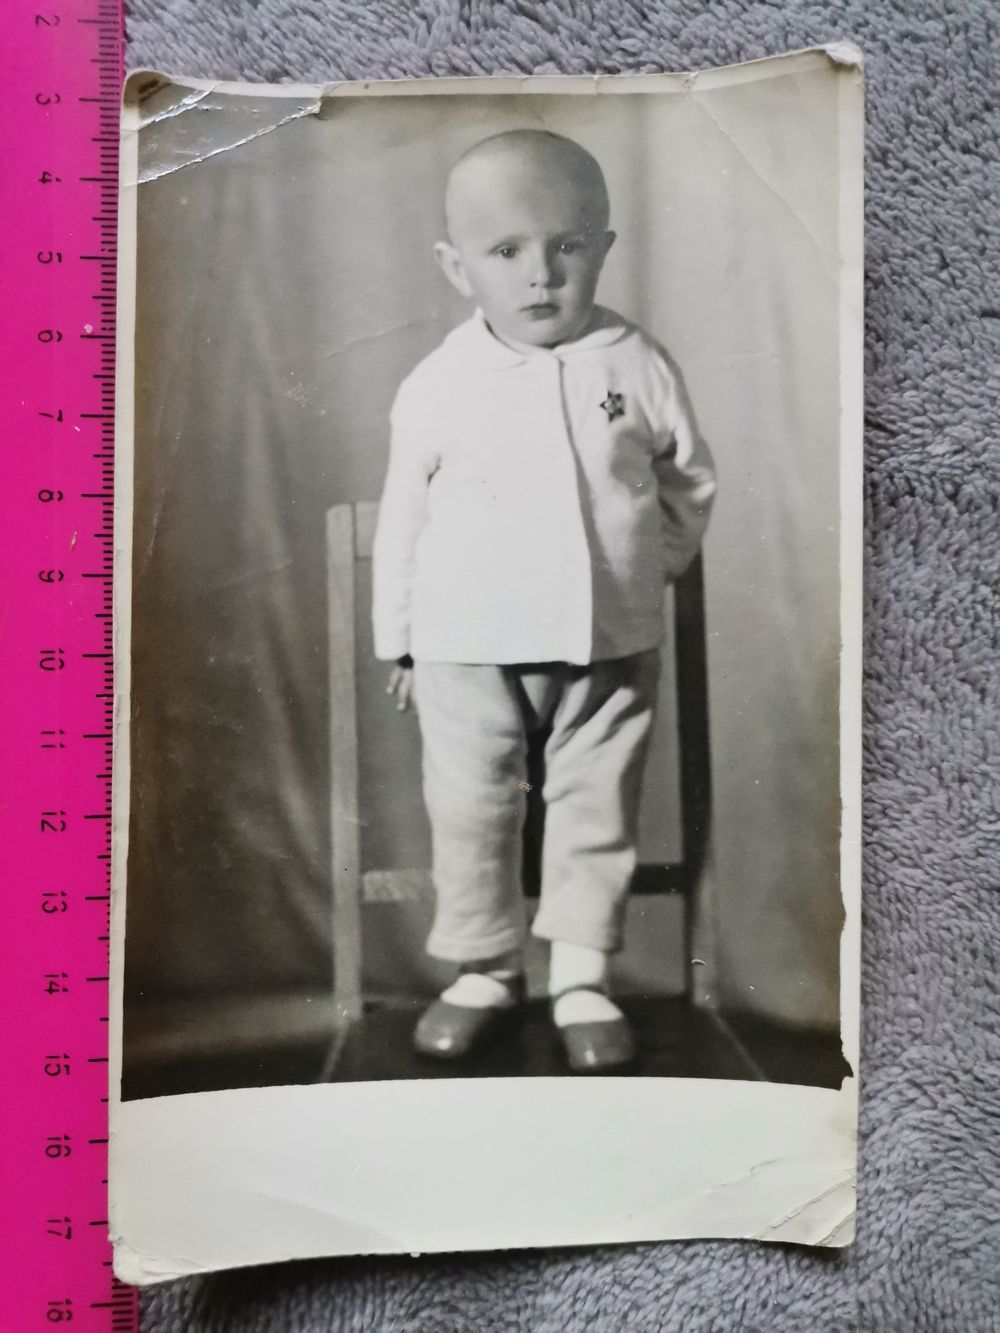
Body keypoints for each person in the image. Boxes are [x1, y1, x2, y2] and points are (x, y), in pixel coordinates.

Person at [371, 128, 716, 1072]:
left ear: (604, 247)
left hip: (606, 643)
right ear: (457, 266)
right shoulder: (440, 383)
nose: (540, 274)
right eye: (506, 250)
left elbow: (688, 483)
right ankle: (485, 968)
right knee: (471, 807)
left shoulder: (637, 363)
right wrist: (401, 642)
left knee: (596, 803)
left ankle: (581, 975)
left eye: (567, 245)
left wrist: (645, 573)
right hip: (465, 646)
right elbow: (404, 518)